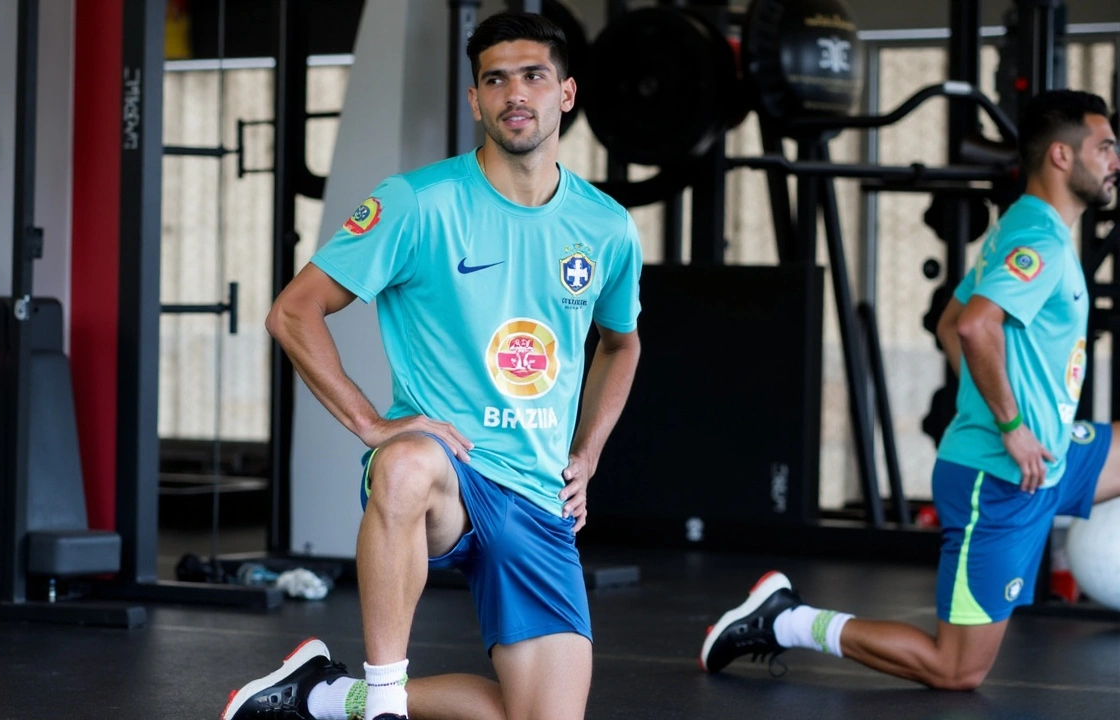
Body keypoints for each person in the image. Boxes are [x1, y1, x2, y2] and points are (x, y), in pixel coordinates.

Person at [220, 11, 642, 720]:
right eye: (495, 79)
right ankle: (383, 701)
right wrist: (369, 423)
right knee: (407, 462)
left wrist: (587, 454)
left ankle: (327, 697)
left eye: (533, 76)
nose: (515, 93)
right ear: (475, 100)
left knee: (537, 716)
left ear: (565, 94)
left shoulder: (605, 227)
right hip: (452, 472)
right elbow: (293, 311)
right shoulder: (418, 203)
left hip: (538, 496)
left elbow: (621, 344)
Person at [700, 89, 1120, 690]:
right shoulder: (1041, 241)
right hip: (1001, 479)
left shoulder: (1030, 224)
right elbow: (973, 327)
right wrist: (1009, 425)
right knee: (958, 669)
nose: (1115, 161)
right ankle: (786, 621)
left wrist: (999, 403)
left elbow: (952, 324)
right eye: (1104, 147)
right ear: (1061, 156)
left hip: (1046, 458)